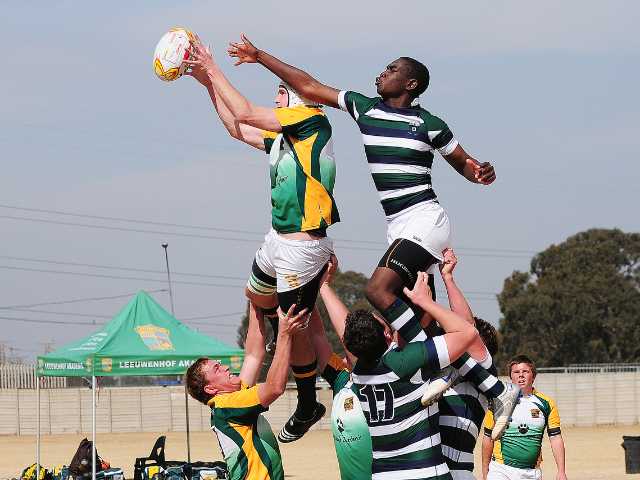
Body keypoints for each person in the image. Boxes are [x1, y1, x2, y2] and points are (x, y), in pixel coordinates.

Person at [227, 36, 496, 398]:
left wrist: (478, 171)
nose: (382, 73)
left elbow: (463, 162)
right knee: (419, 318)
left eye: (392, 70)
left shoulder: (429, 123)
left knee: (376, 290)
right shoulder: (364, 107)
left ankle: (435, 366)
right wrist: (259, 56)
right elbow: (309, 86)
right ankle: (491, 386)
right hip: (399, 228)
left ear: (411, 84)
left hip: (425, 220)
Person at [185, 34, 340, 442]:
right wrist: (206, 83)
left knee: (294, 327)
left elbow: (248, 112)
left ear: (300, 101)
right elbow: (238, 128)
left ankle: (307, 401)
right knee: (258, 299)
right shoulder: (285, 138)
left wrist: (213, 68)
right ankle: (298, 383)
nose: (276, 100)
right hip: (277, 240)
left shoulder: (311, 121)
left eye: (281, 94)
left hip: (301, 248)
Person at [342, 271, 480, 480]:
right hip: (425, 472)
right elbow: (468, 333)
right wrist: (425, 302)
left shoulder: (359, 372)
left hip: (383, 475)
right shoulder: (405, 362)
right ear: (387, 333)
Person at [184, 303, 307, 480]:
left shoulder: (230, 400)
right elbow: (274, 388)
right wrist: (284, 334)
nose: (226, 367)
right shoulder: (227, 405)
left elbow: (254, 356)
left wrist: (255, 302)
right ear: (210, 389)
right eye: (217, 369)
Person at [305, 255, 375, 480]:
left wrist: (323, 285)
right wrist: (305, 292)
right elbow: (316, 336)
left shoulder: (376, 377)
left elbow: (353, 338)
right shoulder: (341, 379)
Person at [482, 355, 567, 480]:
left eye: (525, 371)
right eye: (516, 372)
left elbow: (555, 438)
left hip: (531, 473)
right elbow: (488, 438)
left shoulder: (547, 404)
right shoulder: (498, 402)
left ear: (533, 376)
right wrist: (485, 472)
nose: (520, 375)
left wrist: (561, 471)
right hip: (501, 469)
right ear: (511, 377)